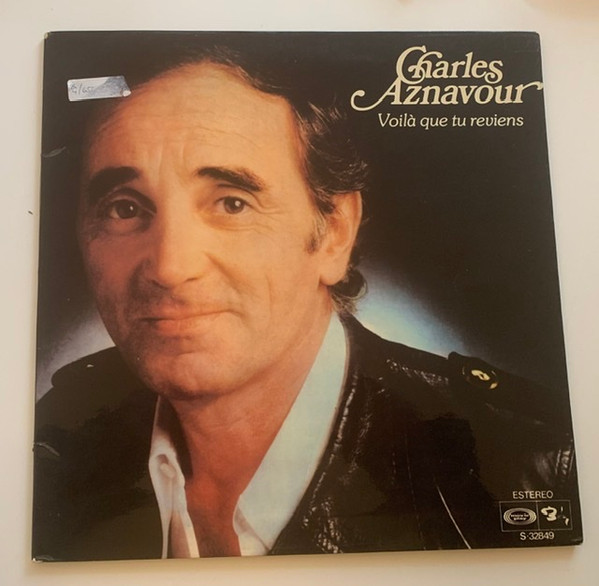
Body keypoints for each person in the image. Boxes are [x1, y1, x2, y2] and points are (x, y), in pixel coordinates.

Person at [33, 45, 580, 561]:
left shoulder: (531, 463)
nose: (170, 267)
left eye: (232, 203)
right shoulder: (57, 439)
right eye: (125, 208)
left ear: (334, 232)